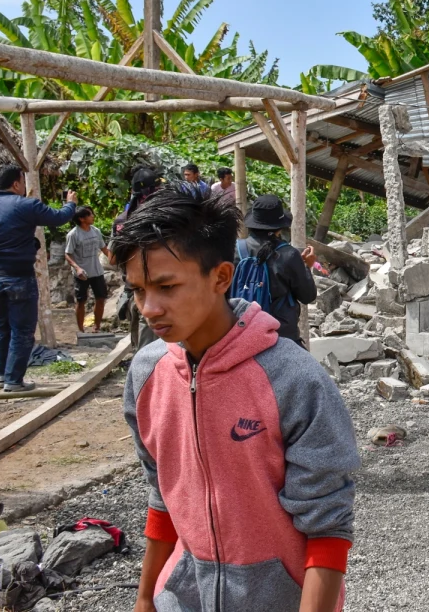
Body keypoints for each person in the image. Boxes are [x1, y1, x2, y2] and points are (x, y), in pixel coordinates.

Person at [115, 186, 357, 612]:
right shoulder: (146, 374)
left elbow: (328, 529)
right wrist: (144, 597)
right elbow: (164, 496)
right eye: (137, 290)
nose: (149, 308)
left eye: (167, 287)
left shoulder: (295, 380)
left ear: (221, 277)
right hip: (181, 597)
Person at [0, 165, 77, 392]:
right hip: (19, 277)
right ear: (17, 184)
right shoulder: (26, 206)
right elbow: (59, 218)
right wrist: (70, 203)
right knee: (22, 329)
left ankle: (2, 374)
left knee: (2, 327)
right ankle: (13, 380)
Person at [234, 195, 317, 347]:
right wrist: (307, 267)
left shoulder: (234, 250)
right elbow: (308, 296)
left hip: (239, 335)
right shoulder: (289, 255)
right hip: (281, 337)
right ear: (280, 227)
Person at [112, 168, 163, 351]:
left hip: (134, 287)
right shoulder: (160, 217)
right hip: (160, 286)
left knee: (142, 341)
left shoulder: (122, 220)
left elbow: (113, 258)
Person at [64, 207, 110, 333]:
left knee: (100, 298)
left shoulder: (96, 231)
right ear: (82, 219)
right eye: (90, 215)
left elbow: (104, 249)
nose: (93, 216)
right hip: (81, 274)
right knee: (81, 301)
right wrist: (77, 268)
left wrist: (115, 260)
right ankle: (80, 330)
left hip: (97, 271)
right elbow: (68, 254)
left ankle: (96, 327)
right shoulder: (73, 234)